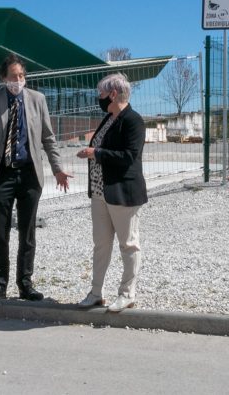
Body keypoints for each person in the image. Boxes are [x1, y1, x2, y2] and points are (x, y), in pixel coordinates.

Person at [0, 54, 70, 301]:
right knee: (0, 232)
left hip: (29, 174)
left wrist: (57, 168)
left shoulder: (37, 100)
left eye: (21, 76)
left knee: (27, 232)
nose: (18, 81)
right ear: (3, 78)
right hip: (0, 175)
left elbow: (48, 138)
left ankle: (25, 283)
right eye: (13, 77)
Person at [75, 72, 147, 313]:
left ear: (113, 94)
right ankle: (96, 292)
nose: (100, 98)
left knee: (128, 244)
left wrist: (96, 153)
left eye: (102, 94)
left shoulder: (133, 120)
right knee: (101, 245)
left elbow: (129, 156)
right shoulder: (109, 119)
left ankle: (127, 293)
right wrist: (92, 152)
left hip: (122, 192)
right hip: (99, 193)